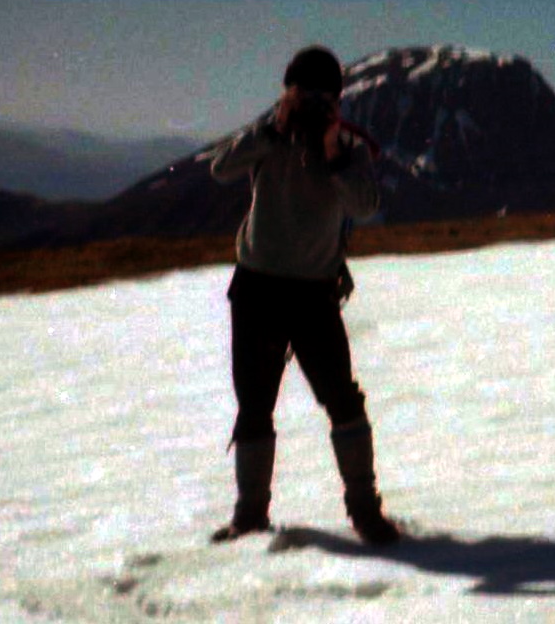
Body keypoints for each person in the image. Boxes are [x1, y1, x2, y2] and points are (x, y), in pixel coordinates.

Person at [205, 46, 400, 546]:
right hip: (259, 290)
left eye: (322, 96)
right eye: (303, 94)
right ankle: (250, 515)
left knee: (342, 400)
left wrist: (334, 153)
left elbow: (366, 204)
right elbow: (220, 170)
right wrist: (273, 128)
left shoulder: (349, 149)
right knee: (255, 404)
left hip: (311, 295)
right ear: (287, 94)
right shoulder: (268, 138)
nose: (313, 104)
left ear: (337, 100)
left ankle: (365, 511)